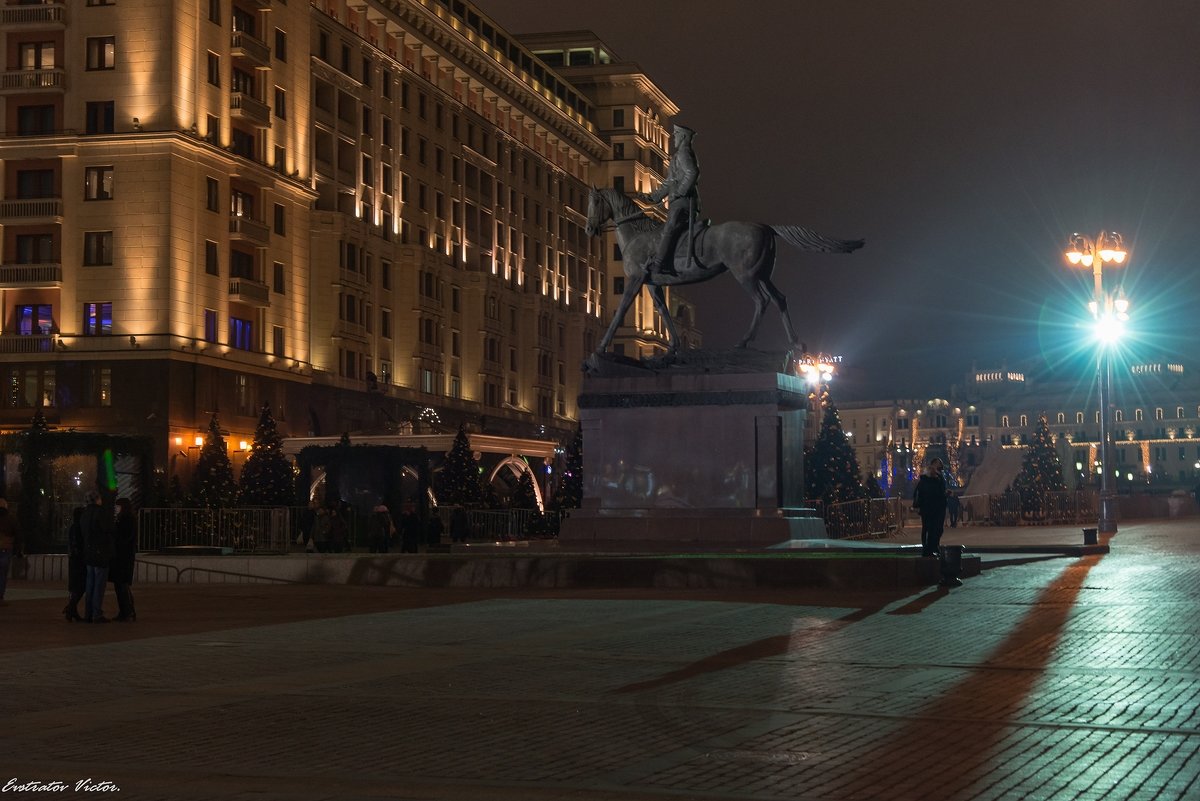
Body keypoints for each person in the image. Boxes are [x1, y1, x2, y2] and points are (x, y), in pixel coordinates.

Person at [638, 124, 701, 278]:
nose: (674, 139)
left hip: (684, 202)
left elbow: (692, 172)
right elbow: (669, 182)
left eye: (677, 135)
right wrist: (653, 197)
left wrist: (680, 192)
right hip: (678, 201)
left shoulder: (684, 153)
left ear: (684, 137)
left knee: (669, 227)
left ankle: (659, 264)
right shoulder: (678, 155)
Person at [80, 491, 114, 622]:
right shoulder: (100, 513)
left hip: (88, 553)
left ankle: (88, 613)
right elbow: (107, 531)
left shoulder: (85, 514)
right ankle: (96, 613)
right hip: (100, 553)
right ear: (97, 500)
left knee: (90, 584)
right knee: (99, 585)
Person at [912, 459, 949, 558]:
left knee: (934, 529)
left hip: (934, 508)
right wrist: (944, 494)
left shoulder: (938, 478)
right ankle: (929, 549)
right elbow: (933, 493)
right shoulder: (929, 480)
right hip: (931, 508)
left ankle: (931, 548)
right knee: (930, 529)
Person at [110, 497, 137, 622]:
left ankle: (127, 611)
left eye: (118, 506)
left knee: (122, 585)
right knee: (121, 585)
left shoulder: (126, 520)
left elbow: (124, 538)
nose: (116, 509)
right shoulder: (124, 519)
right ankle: (126, 611)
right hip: (122, 557)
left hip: (123, 558)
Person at [63, 506, 86, 621]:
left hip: (74, 559)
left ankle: (72, 610)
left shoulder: (74, 527)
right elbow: (78, 544)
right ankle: (71, 608)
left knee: (75, 587)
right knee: (80, 586)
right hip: (79, 560)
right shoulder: (79, 528)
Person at [0, 497, 19, 606]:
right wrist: (18, 549)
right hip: (5, 549)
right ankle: (0, 595)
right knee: (2, 574)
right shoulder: (11, 519)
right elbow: (17, 534)